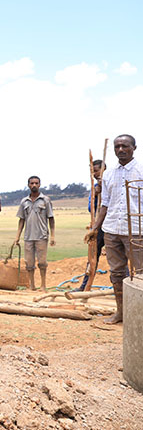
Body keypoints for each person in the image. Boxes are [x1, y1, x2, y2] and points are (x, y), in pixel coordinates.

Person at [86, 134, 143, 324]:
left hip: (136, 230)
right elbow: (105, 204)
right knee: (117, 273)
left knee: (140, 274)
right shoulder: (108, 174)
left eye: (125, 146)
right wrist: (96, 228)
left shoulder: (141, 171)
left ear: (134, 148)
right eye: (117, 146)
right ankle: (121, 313)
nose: (120, 149)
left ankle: (138, 316)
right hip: (111, 230)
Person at [12, 176, 56, 291]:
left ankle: (43, 285)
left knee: (42, 262)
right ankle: (31, 285)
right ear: (28, 185)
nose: (34, 185)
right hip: (28, 237)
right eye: (32, 183)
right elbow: (21, 220)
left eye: (36, 183)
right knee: (29, 263)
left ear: (40, 185)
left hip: (41, 236)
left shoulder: (45, 200)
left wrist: (52, 236)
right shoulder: (24, 202)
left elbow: (51, 218)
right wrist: (17, 237)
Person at [74, 160, 105, 292]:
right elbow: (90, 208)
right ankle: (85, 286)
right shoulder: (94, 188)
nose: (95, 174)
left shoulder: (111, 184)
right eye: (93, 171)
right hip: (98, 228)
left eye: (97, 170)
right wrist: (96, 195)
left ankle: (124, 288)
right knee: (92, 258)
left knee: (118, 258)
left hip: (112, 227)